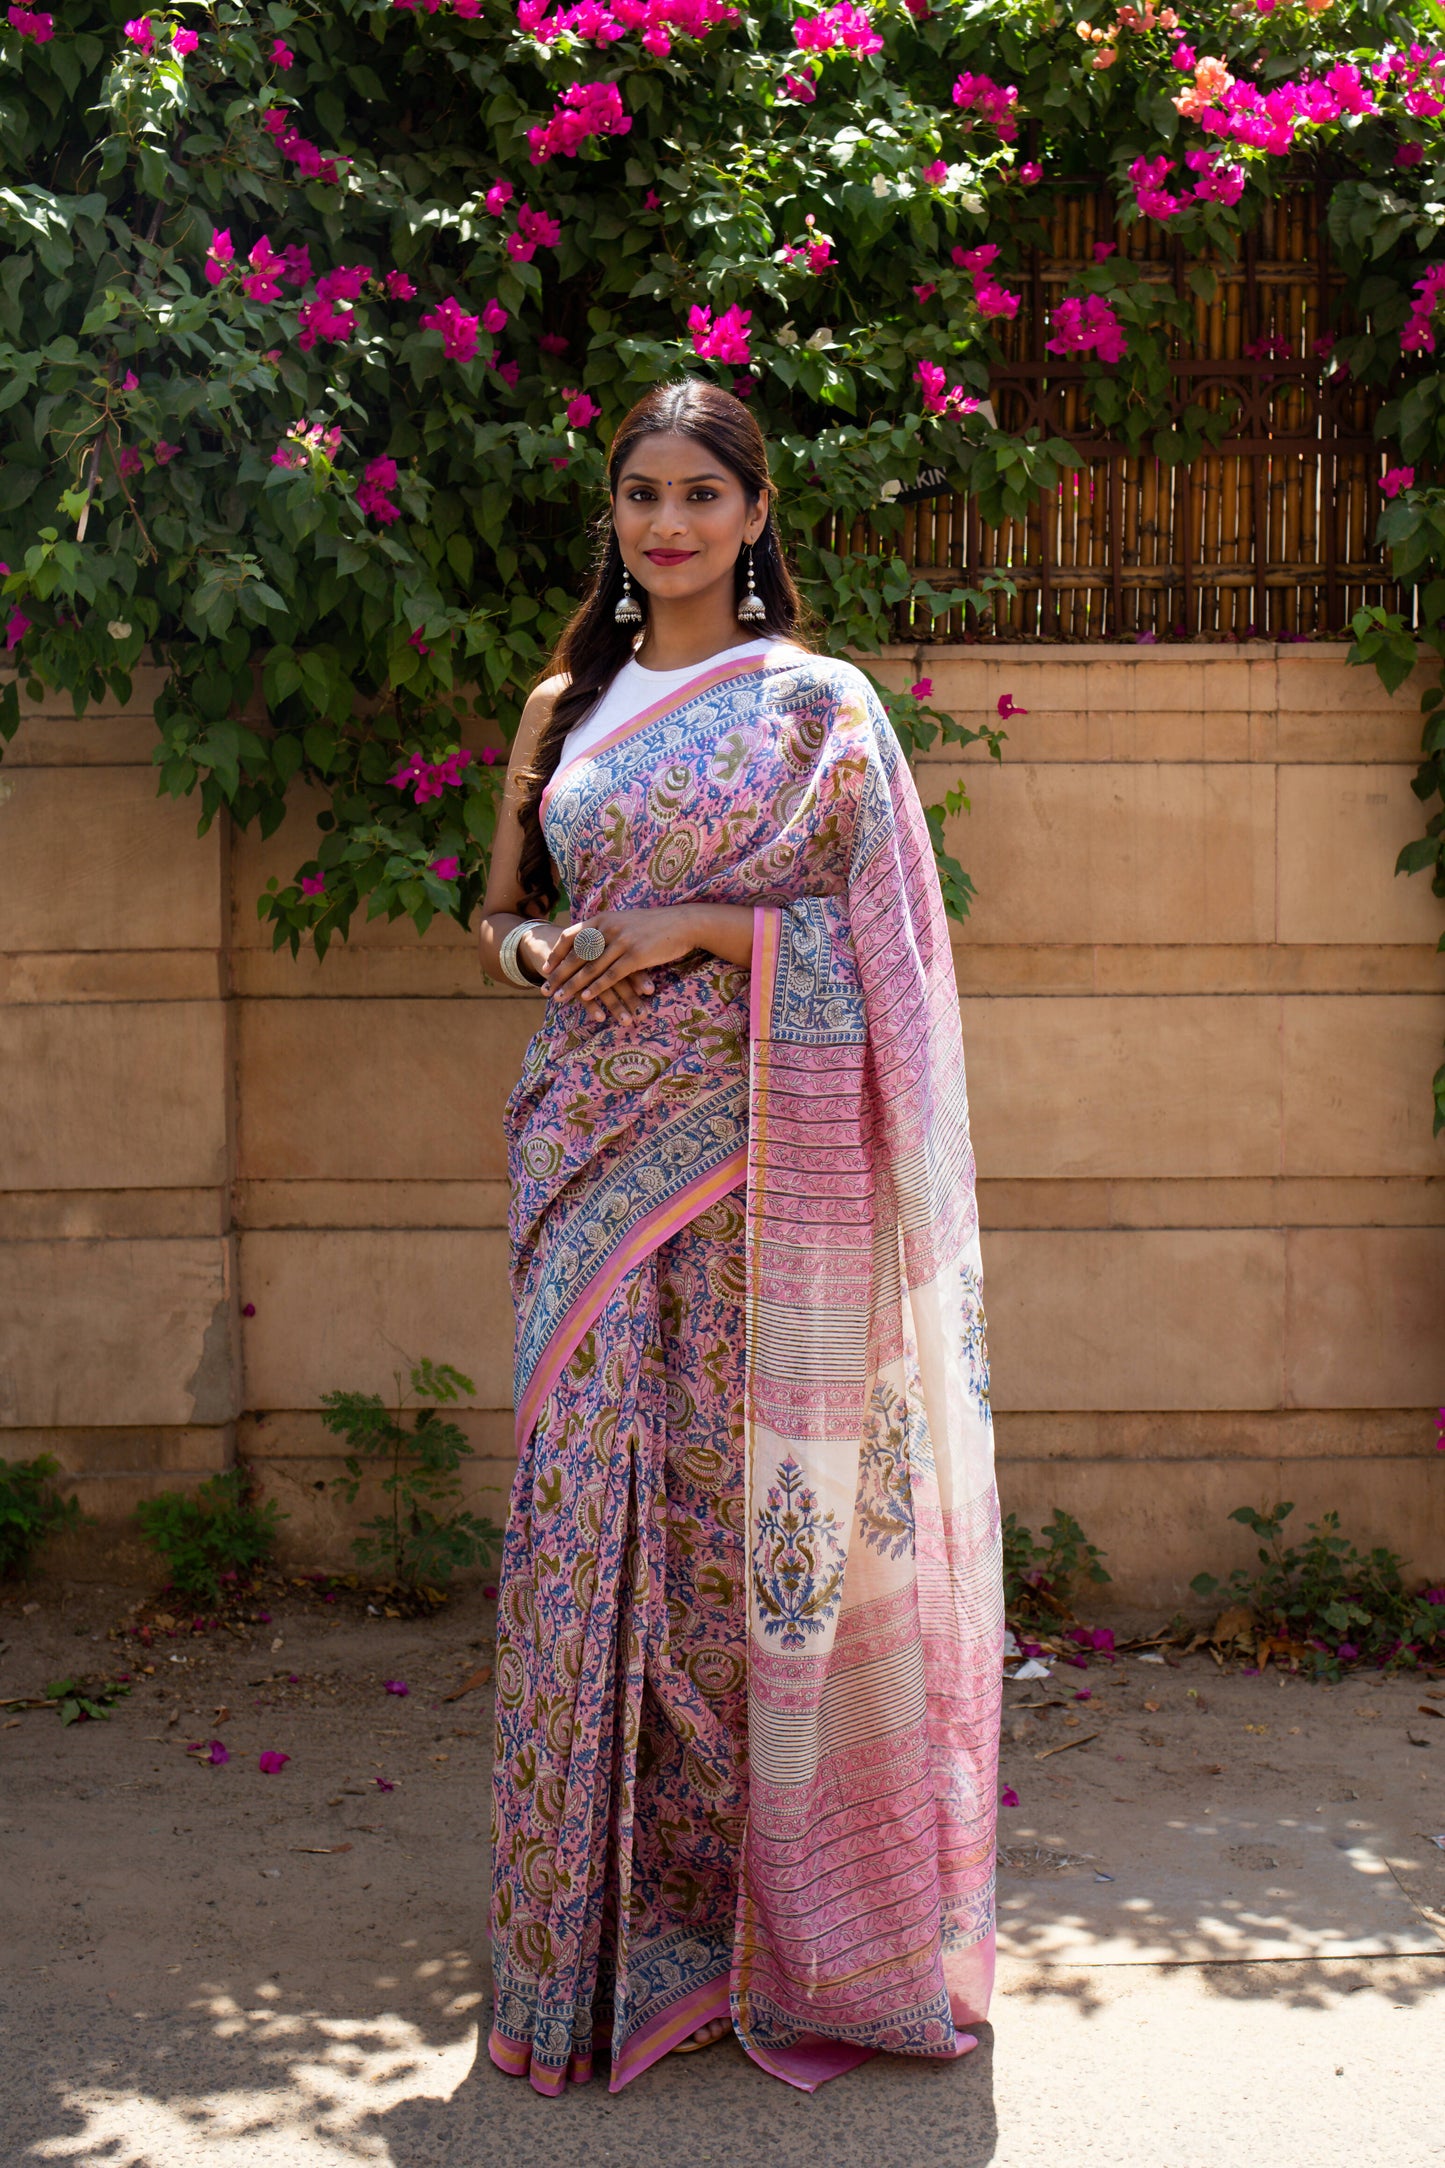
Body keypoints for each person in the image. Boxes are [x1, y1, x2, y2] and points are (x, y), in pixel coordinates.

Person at [477, 376, 1003, 2096]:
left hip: (760, 1163)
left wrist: (709, 923)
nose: (669, 523)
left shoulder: (814, 710)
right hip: (582, 1148)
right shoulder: (569, 701)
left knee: (727, 1522)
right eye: (641, 493)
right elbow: (503, 912)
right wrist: (534, 958)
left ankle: (752, 1935)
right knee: (581, 1521)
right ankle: (590, 1948)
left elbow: (887, 946)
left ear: (755, 513)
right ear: (615, 515)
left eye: (702, 492)